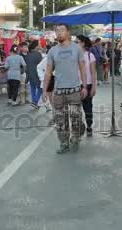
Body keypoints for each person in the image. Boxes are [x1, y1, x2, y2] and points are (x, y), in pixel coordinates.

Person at [43, 24, 88, 154]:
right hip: (58, 91)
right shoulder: (52, 51)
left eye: (61, 30)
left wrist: (84, 86)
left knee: (76, 118)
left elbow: (83, 68)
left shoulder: (77, 49)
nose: (58, 33)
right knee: (60, 120)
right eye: (56, 30)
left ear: (68, 32)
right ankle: (64, 143)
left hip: (74, 90)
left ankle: (76, 134)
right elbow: (48, 72)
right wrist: (44, 90)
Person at [77, 35, 97, 137]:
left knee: (88, 108)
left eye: (78, 42)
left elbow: (93, 72)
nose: (76, 44)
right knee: (75, 108)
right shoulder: (73, 56)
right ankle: (79, 127)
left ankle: (89, 126)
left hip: (88, 85)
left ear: (83, 43)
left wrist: (94, 86)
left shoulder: (90, 56)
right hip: (75, 85)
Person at [25, 40, 44, 109]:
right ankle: (35, 102)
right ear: (36, 46)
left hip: (30, 74)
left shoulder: (28, 54)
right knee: (40, 88)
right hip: (37, 74)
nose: (40, 45)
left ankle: (34, 102)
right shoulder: (38, 54)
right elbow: (41, 65)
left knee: (33, 88)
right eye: (39, 44)